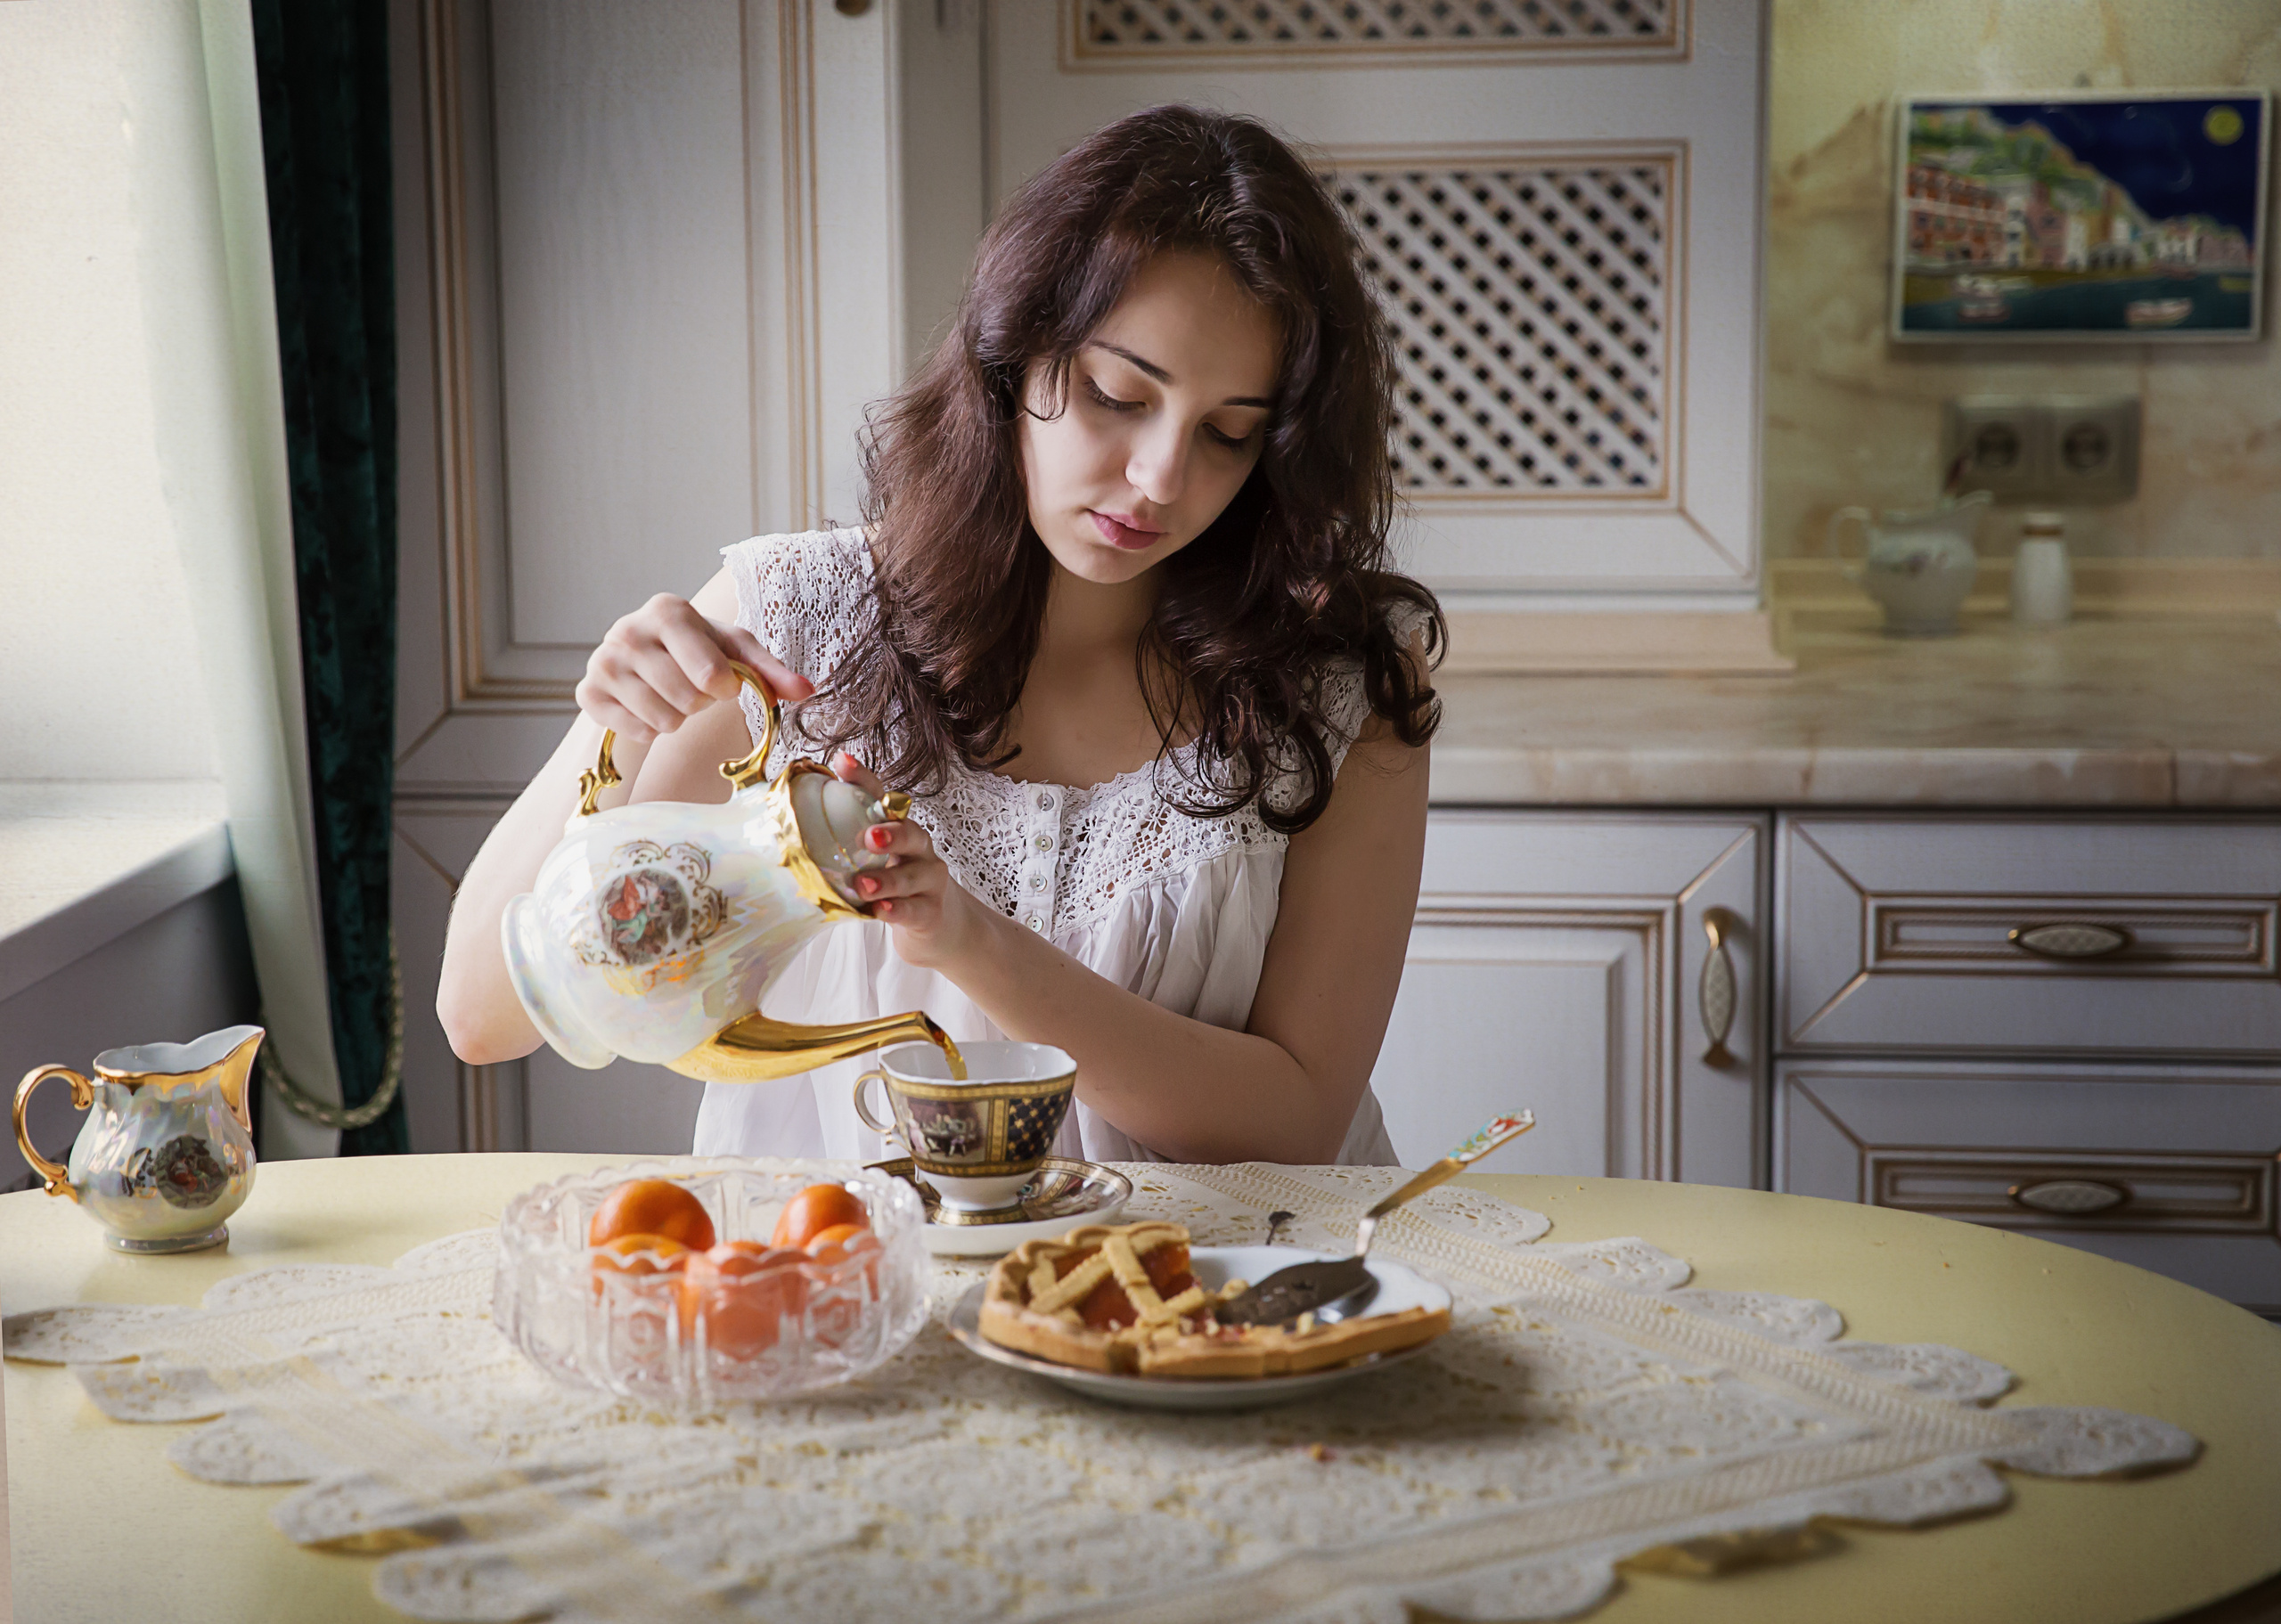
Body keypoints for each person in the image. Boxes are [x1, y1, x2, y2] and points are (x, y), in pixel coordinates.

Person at [437, 104, 1443, 1167]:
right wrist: (610, 735)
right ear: (1016, 351)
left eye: (1227, 434)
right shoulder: (794, 619)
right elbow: (482, 1015)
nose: (1159, 479)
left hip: (1217, 1313)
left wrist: (970, 940)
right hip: (855, 1300)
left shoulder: (1337, 681)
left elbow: (1295, 1119)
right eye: (1116, 395)